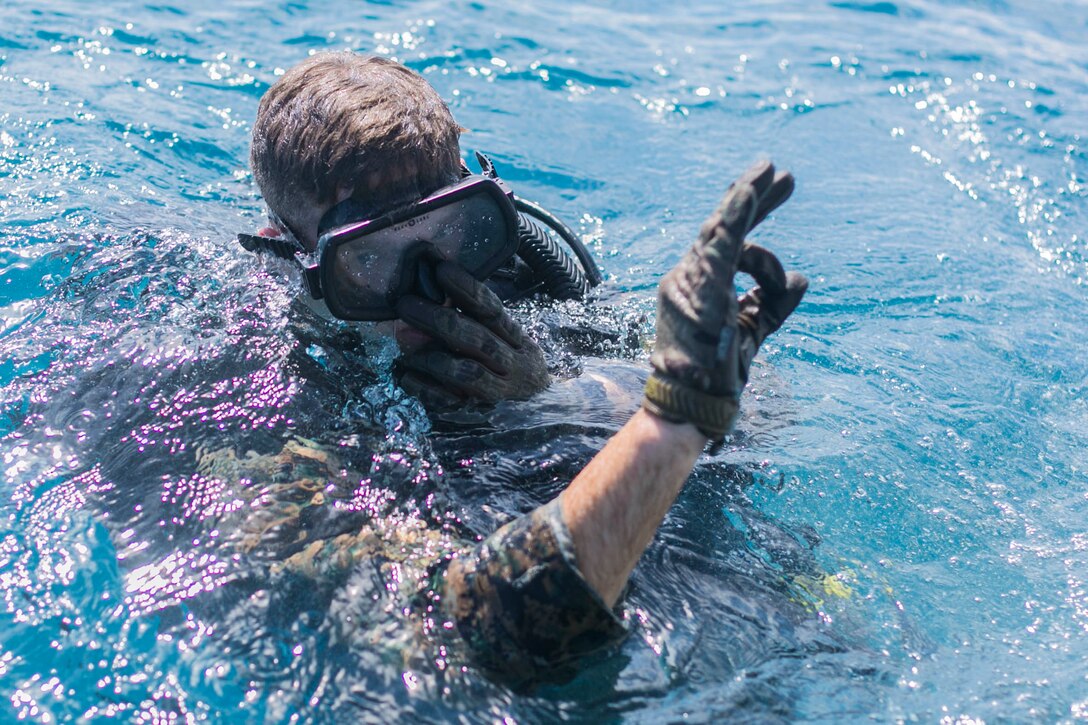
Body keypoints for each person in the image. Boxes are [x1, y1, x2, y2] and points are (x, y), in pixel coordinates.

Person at [241, 51, 808, 687]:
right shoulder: (265, 395)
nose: (428, 291)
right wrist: (672, 421)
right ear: (288, 254)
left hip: (730, 623)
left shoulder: (535, 296)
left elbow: (764, 417)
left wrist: (562, 398)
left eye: (449, 235)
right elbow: (463, 635)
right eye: (370, 262)